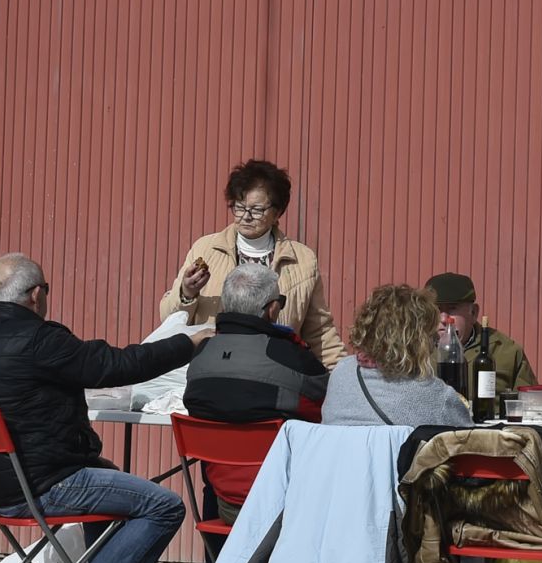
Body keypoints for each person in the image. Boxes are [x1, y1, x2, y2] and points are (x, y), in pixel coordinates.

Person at [0, 253, 210, 563]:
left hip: (0, 488)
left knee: (119, 484)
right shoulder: (41, 341)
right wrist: (187, 343)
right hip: (45, 485)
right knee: (164, 505)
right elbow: (116, 365)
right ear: (37, 294)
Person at [162, 158, 346, 368]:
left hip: (273, 371)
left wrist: (342, 381)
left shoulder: (302, 260)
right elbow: (169, 319)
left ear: (277, 212)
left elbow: (320, 334)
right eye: (239, 207)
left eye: (257, 210)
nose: (246, 217)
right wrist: (187, 294)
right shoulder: (205, 249)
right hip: (212, 368)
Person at [182, 263, 328, 525]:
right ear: (272, 309)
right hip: (286, 505)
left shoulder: (201, 357)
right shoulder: (292, 359)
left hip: (223, 505)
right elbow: (322, 409)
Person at [321, 284, 472, 427]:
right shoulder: (437, 397)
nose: (434, 339)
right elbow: (468, 438)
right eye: (429, 334)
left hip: (339, 454)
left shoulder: (341, 371)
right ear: (417, 340)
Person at [424, 272, 537, 401]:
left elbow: (531, 407)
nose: (443, 319)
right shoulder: (412, 352)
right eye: (436, 310)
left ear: (473, 313)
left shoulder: (505, 352)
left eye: (452, 309)